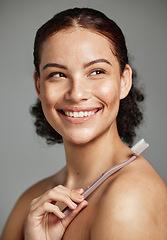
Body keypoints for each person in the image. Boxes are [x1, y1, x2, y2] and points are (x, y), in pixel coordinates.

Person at [1, 7, 167, 240]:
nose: (76, 94)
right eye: (58, 74)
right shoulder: (32, 201)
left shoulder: (129, 199)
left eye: (96, 71)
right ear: (39, 86)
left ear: (123, 81)